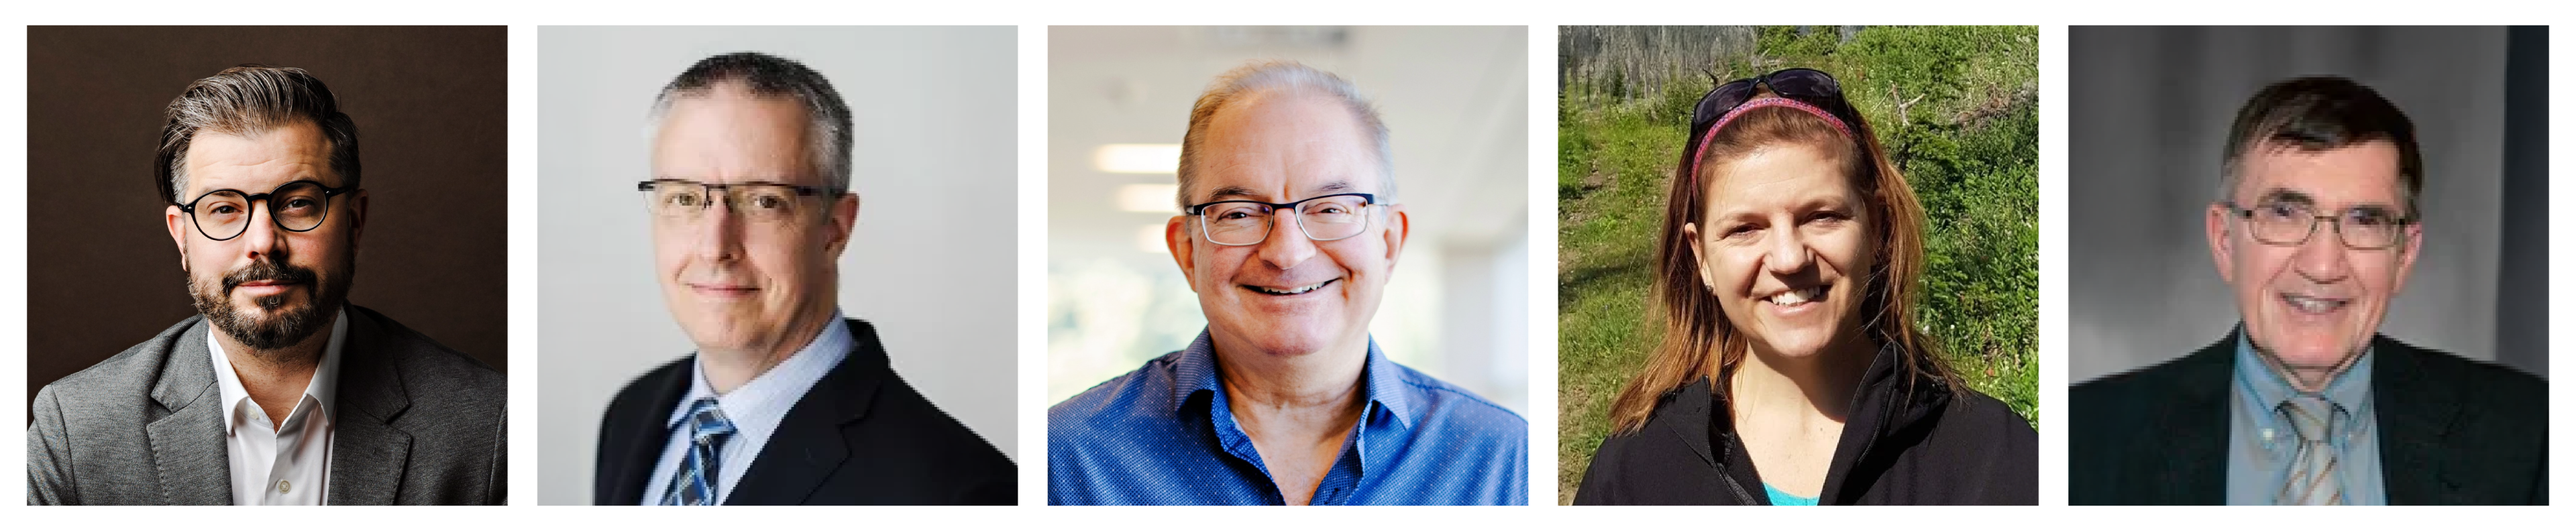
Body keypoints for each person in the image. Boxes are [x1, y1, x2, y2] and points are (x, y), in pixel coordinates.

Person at [1048, 60, 1527, 506]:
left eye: (1331, 208)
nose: (1287, 252)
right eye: (1238, 213)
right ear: (1188, 252)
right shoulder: (1063, 461)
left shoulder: (1505, 463)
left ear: (1387, 244)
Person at [25, 65, 506, 506]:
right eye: (224, 208)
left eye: (298, 203)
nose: (263, 243)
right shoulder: (74, 429)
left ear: (355, 223)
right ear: (182, 236)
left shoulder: (488, 425)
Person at [2070, 76, 2548, 506]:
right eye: (2284, 213)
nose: (2323, 266)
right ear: (2224, 241)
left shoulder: (2532, 435)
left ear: (2403, 255)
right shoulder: (2083, 441)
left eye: (2364, 221)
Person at [1572, 68, 2037, 506]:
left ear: (1875, 228)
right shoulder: (1637, 474)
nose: (1789, 258)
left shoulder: (1995, 461)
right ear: (1702, 259)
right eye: (1745, 229)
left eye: (1822, 217)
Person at [589, 52, 1014, 506]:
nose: (715, 247)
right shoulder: (633, 413)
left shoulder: (958, 491)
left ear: (835, 229)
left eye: (764, 202)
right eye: (685, 198)